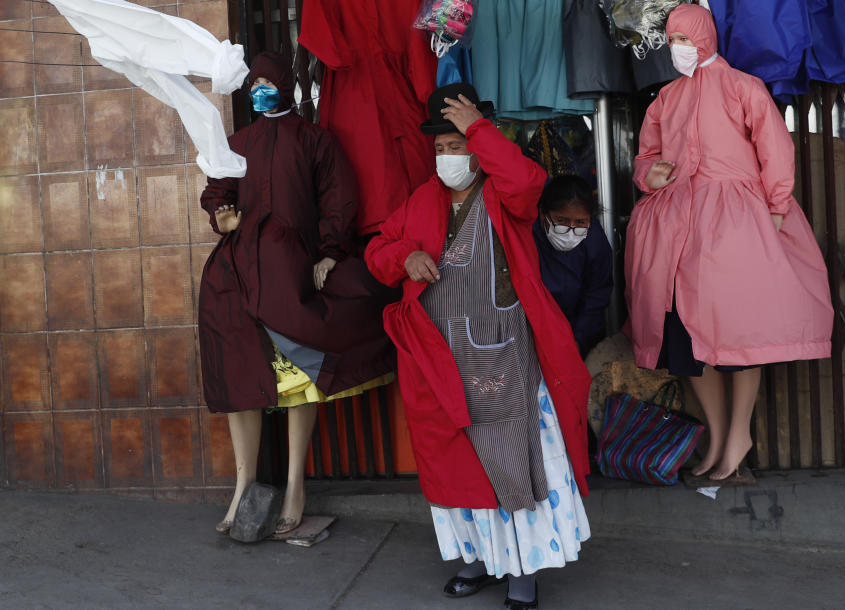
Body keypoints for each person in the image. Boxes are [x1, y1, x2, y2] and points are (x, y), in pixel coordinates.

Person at [365, 83, 591, 610]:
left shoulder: (502, 196)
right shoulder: (422, 200)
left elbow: (528, 182)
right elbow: (377, 250)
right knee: (456, 461)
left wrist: (479, 129)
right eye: (440, 148)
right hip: (441, 362)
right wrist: (403, 257)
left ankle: (522, 575)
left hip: (507, 358)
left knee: (513, 463)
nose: (449, 157)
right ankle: (476, 558)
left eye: (457, 144)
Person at [623, 5, 834, 482]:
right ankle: (718, 436)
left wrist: (776, 210)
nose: (678, 45)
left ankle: (738, 434)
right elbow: (646, 155)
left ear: (705, 34)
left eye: (685, 36)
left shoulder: (744, 87)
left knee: (740, 331)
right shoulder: (665, 98)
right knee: (691, 338)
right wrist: (647, 175)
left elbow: (776, 148)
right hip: (676, 223)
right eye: (671, 37)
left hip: (736, 223)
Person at [198, 52, 394, 536]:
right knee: (237, 379)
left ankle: (294, 485)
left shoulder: (315, 141)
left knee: (298, 374)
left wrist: (329, 253)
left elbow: (337, 201)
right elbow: (217, 189)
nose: (261, 89)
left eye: (269, 81)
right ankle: (243, 488)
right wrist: (221, 213)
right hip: (235, 275)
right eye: (255, 83)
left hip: (291, 274)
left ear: (286, 84)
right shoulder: (237, 142)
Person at [533, 175, 613, 356]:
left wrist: (578, 339)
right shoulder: (528, 235)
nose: (570, 232)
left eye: (580, 223)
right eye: (561, 221)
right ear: (542, 214)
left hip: (574, 328)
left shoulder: (594, 240)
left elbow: (597, 294)